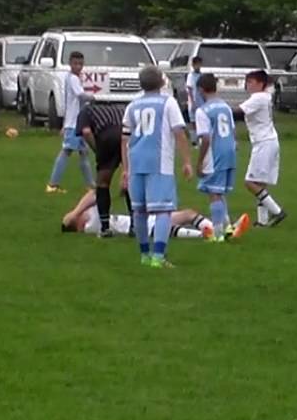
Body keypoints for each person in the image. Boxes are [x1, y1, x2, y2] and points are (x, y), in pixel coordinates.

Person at [121, 65, 193, 268]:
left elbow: (124, 139)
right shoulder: (168, 103)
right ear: (162, 81)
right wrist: (186, 161)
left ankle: (144, 255)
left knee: (140, 211)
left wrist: (126, 168)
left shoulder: (133, 105)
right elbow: (179, 133)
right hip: (159, 162)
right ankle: (158, 256)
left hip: (136, 162)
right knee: (163, 210)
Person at [195, 73, 251, 242]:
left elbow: (205, 138)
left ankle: (218, 234)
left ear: (200, 90)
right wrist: (234, 144)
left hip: (216, 152)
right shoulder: (225, 106)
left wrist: (199, 162)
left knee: (213, 192)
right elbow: (233, 130)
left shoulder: (202, 111)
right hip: (230, 150)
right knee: (219, 191)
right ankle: (227, 227)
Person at [61, 187, 215, 240]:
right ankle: (206, 235)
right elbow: (92, 196)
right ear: (78, 226)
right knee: (168, 227)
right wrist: (76, 212)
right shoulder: (91, 226)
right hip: (144, 227)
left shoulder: (95, 216)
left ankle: (216, 230)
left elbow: (94, 193)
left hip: (143, 219)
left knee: (189, 213)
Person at [239, 69, 287, 227]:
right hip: (268, 141)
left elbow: (239, 112)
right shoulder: (264, 96)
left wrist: (219, 110)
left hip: (263, 142)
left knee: (250, 182)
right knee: (260, 183)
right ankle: (262, 221)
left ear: (261, 84)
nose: (248, 85)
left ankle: (277, 211)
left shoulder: (258, 97)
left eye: (251, 82)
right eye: (247, 82)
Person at [77, 100, 129, 238]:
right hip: (127, 136)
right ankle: (135, 226)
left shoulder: (86, 110)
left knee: (103, 182)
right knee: (129, 178)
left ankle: (105, 227)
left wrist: (97, 150)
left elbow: (86, 132)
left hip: (107, 137)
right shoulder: (120, 107)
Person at [47, 51, 95, 194]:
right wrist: (92, 98)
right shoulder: (73, 78)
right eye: (75, 63)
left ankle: (90, 185)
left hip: (77, 122)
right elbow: (80, 95)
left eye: (81, 64)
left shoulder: (73, 78)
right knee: (66, 151)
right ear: (70, 63)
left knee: (84, 153)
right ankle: (52, 184)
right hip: (73, 124)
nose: (78, 66)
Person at [185, 56, 204, 142]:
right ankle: (194, 140)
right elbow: (189, 89)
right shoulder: (190, 76)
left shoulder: (202, 76)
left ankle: (200, 138)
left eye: (199, 64)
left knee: (201, 119)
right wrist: (192, 102)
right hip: (193, 101)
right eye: (196, 65)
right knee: (193, 121)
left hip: (201, 101)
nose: (198, 66)